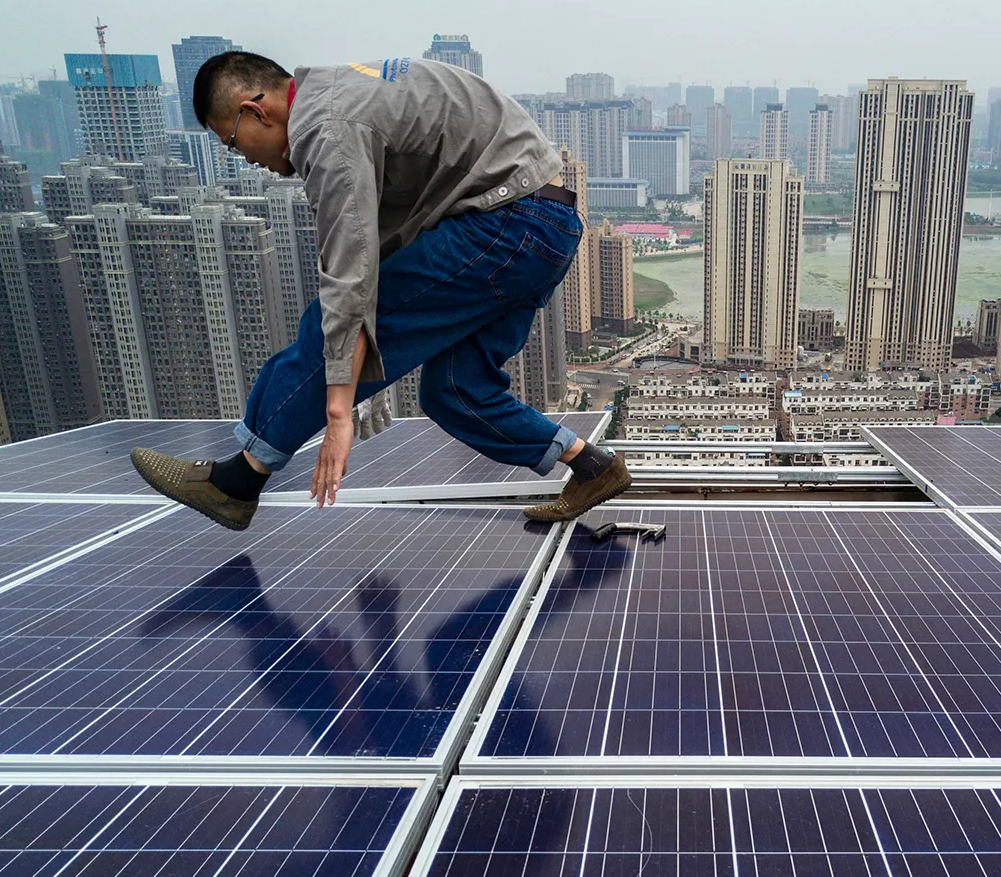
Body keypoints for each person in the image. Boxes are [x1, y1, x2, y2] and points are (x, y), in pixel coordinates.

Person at [130, 51, 630, 530]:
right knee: (455, 389)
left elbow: (350, 277)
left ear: (255, 110)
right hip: (544, 226)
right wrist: (362, 372)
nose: (245, 159)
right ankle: (593, 467)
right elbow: (389, 238)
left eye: (233, 143)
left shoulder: (324, 130)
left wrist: (338, 407)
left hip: (506, 224)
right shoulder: (339, 93)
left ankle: (237, 481)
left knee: (323, 326)